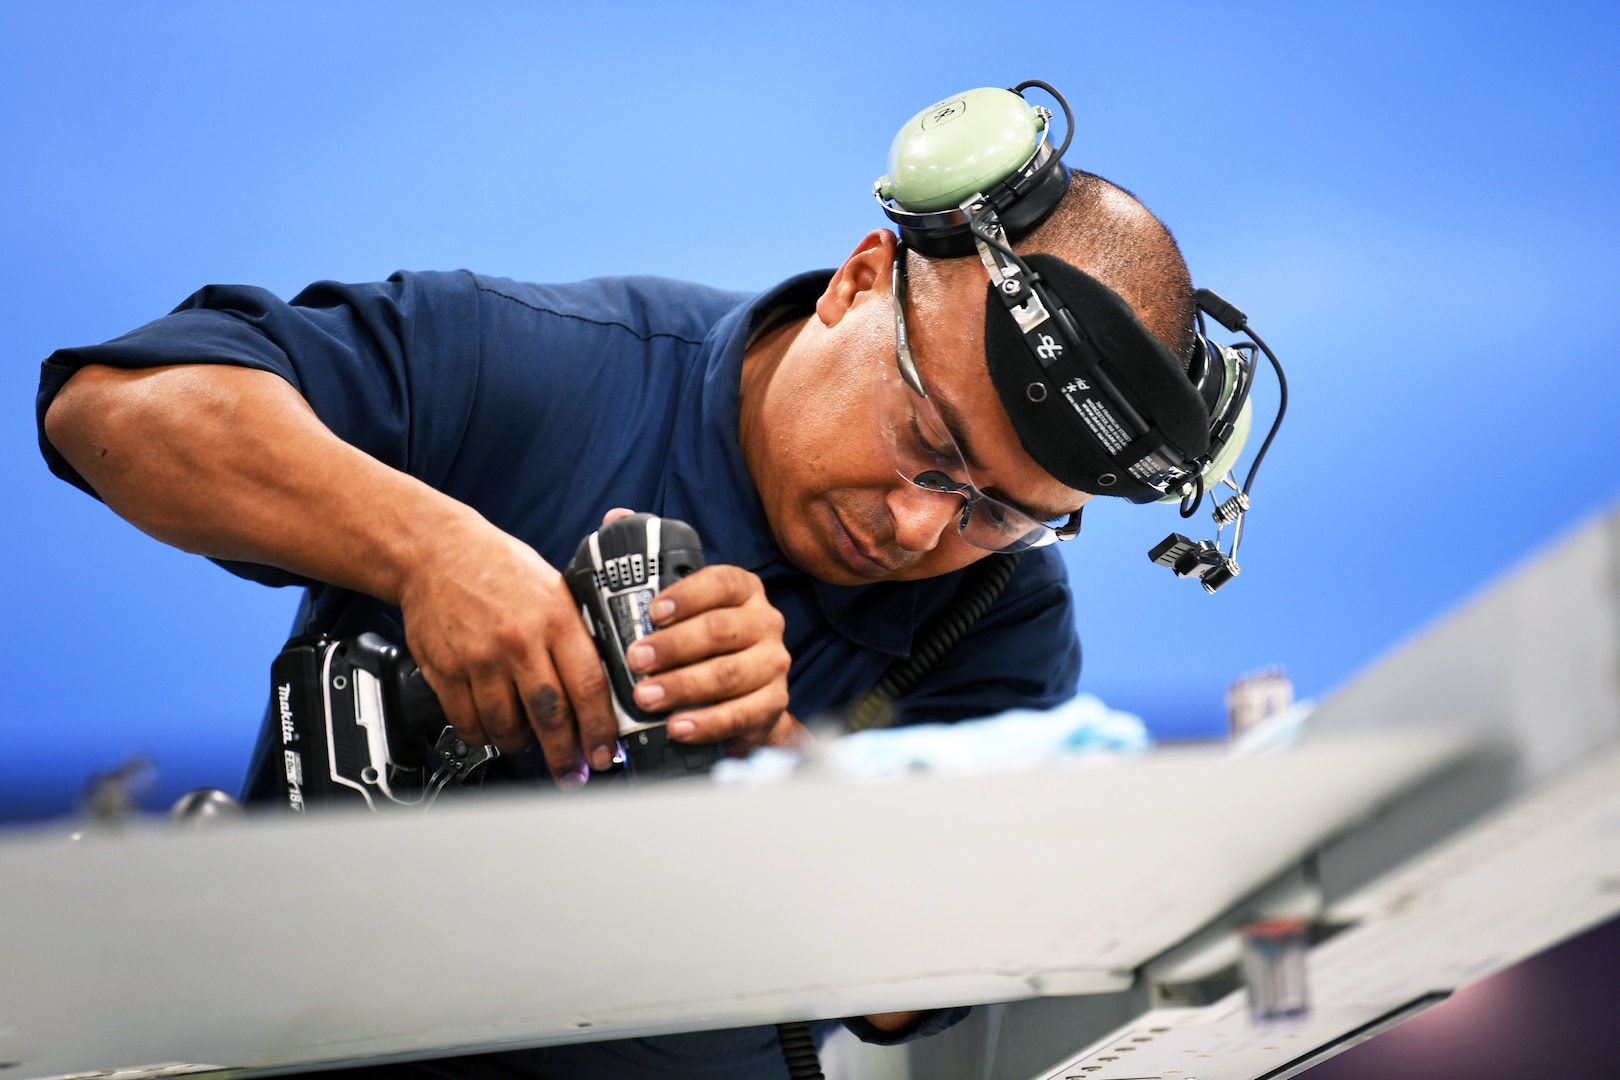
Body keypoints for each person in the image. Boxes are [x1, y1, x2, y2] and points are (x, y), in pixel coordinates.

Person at [34, 169, 1197, 1078]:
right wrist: (432, 550)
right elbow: (113, 412)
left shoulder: (1002, 613)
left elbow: (924, 986)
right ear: (859, 277)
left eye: (994, 510)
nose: (913, 526)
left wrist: (774, 764)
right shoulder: (527, 368)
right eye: (930, 444)